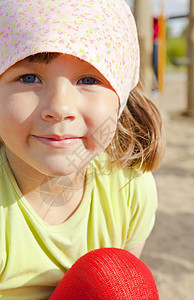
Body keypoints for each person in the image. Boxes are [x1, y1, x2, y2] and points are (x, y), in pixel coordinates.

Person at [0, 0, 164, 299]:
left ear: (122, 97)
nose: (59, 108)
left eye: (89, 79)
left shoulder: (128, 187)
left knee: (120, 280)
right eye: (28, 77)